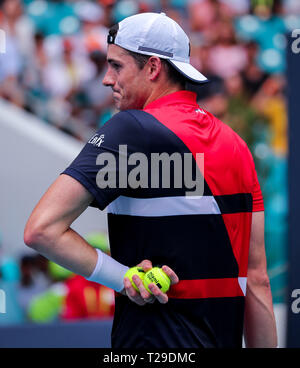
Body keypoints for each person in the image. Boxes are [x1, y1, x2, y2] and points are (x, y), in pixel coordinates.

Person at [24, 12, 277, 348]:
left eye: (116, 66)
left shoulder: (130, 130)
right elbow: (257, 280)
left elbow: (41, 229)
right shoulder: (236, 145)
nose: (106, 79)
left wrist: (124, 278)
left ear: (153, 68)